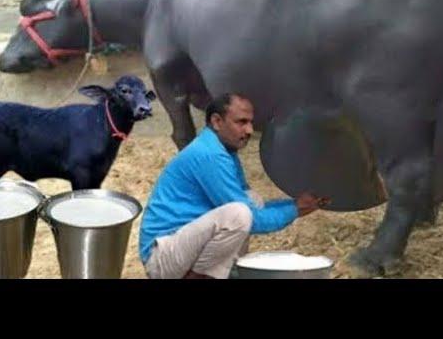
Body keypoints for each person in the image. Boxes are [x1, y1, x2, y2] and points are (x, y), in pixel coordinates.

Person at [139, 93, 330, 279]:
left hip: (181, 246)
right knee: (239, 215)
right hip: (161, 256)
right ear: (216, 122)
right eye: (241, 122)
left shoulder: (223, 151)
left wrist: (295, 204)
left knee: (251, 200)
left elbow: (252, 209)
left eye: (250, 122)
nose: (249, 130)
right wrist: (295, 209)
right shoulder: (210, 155)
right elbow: (252, 220)